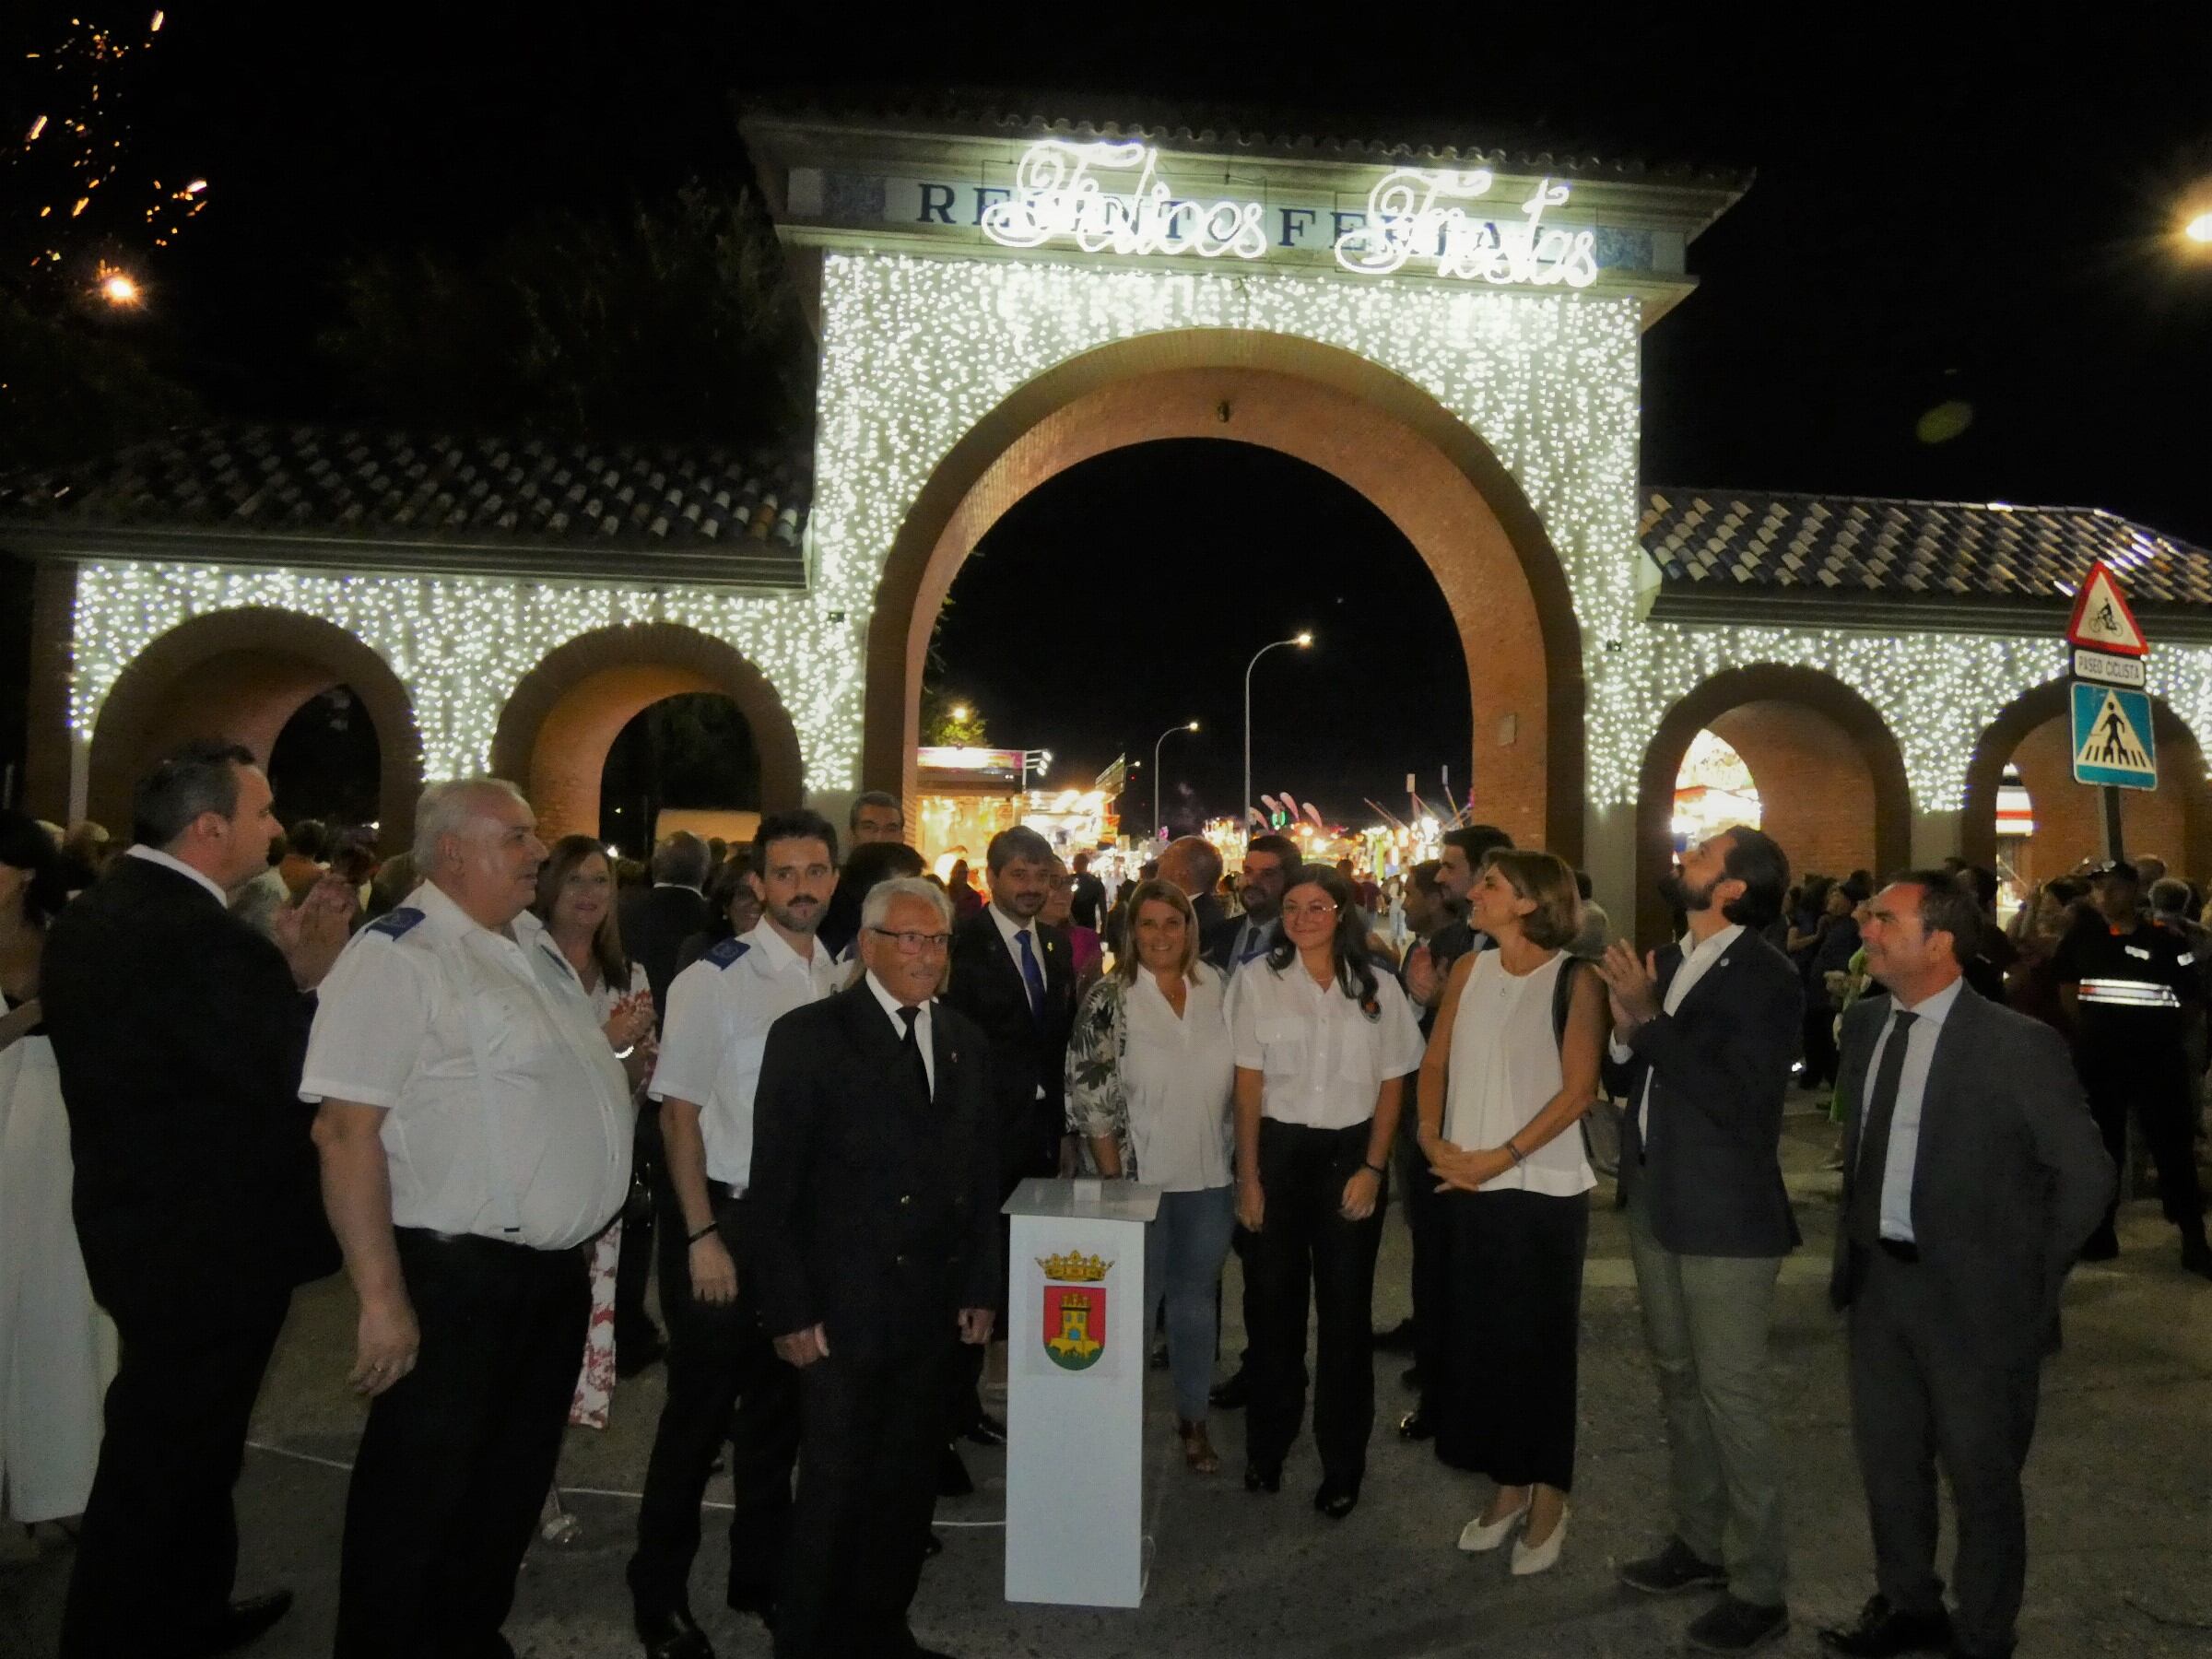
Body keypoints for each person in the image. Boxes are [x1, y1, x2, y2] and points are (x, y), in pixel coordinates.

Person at [305, 779, 636, 1659]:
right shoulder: (398, 954)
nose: (539, 853)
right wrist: (381, 1299)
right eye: (518, 838)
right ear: (451, 851)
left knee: (506, 1487)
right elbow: (344, 1131)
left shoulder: (527, 942)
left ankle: (464, 1638)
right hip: (457, 1274)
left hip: (547, 1274)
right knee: (420, 1496)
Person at [41, 742, 352, 1659]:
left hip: (138, 1226)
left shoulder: (100, 914)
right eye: (262, 812)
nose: (276, 827)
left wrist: (281, 973)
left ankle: (187, 1612)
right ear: (209, 828)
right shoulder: (202, 939)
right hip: (208, 1246)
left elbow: (194, 1059)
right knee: (166, 1458)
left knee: (187, 1448)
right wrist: (313, 980)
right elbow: (281, 1079)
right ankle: (116, 1633)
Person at [1820, 875, 2114, 1659]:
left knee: (1983, 1480)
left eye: (1885, 919)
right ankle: (1909, 1604)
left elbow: (2087, 1177)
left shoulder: (2017, 1044)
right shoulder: (1866, 1026)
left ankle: (1983, 1633)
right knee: (1890, 1467)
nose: (1866, 927)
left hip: (1979, 1306)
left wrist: (2027, 1279)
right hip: (1881, 1288)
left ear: (1940, 943)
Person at [744, 877, 999, 1659]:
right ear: (870, 946)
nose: (925, 955)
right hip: (841, 1311)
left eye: (938, 941)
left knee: (905, 1486)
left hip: (931, 1311)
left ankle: (883, 1630)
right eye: (909, 939)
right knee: (834, 1491)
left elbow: (981, 1177)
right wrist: (787, 1312)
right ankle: (810, 1640)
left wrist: (982, 1287)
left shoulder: (962, 1039)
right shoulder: (810, 1035)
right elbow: (774, 1187)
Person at [629, 812, 842, 1654]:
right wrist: (700, 1235)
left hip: (803, 1234)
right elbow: (677, 1114)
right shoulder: (712, 980)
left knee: (780, 1417)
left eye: (817, 871)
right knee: (698, 1416)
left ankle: (761, 1574)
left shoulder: (841, 974)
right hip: (725, 1219)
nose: (802, 888)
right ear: (757, 882)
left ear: (833, 878)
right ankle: (658, 1592)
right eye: (785, 873)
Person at [1597, 826, 1803, 1655]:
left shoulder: (1767, 977)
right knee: (1679, 1382)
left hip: (1726, 1215)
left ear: (1734, 890)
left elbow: (1742, 1104)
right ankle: (1699, 1544)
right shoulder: (1672, 958)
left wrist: (1647, 1025)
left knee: (1732, 1397)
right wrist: (1624, 1033)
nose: (1683, 856)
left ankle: (1761, 1587)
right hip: (1658, 1197)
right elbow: (1637, 1074)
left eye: (1703, 855)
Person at [1418, 851, 1606, 1577]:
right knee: (1483, 1342)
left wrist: (1501, 1156)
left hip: (1540, 1190)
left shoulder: (1574, 979)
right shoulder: (1469, 970)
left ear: (1530, 903)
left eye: (1491, 884)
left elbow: (1578, 1090)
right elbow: (1435, 1063)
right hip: (1465, 1180)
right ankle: (1507, 1484)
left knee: (1539, 1349)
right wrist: (1434, 1139)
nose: (1476, 892)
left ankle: (1550, 1493)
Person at [1229, 863, 1423, 1516]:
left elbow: (1393, 1081)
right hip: (1278, 1155)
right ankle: (1268, 1444)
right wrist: (1248, 1178)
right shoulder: (1258, 981)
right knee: (1272, 1308)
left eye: (1317, 906)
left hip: (1349, 1154)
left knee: (1345, 1319)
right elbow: (1248, 1086)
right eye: (1292, 906)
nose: (1303, 918)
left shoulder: (1377, 986)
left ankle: (1343, 1464)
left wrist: (1372, 1169)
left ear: (1342, 911)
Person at [1065, 878, 1237, 1474]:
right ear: (1130, 932)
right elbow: (1088, 1096)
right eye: (1148, 924)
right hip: (1138, 1182)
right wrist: (1116, 1183)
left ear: (1190, 928)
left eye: (1173, 922)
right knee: (1134, 1309)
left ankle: (1193, 1420)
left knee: (1194, 1308)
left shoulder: (1219, 987)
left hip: (1210, 1178)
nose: (1161, 935)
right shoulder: (1110, 997)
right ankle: (1117, 1426)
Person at [532, 836, 657, 1545]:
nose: (589, 893)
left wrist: (636, 1061)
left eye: (602, 881)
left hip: (601, 1184)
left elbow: (635, 1088)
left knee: (571, 1344)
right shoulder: (523, 963)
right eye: (574, 878)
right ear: (548, 886)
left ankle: (538, 1480)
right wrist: (607, 1045)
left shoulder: (628, 971)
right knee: (529, 1343)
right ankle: (520, 1491)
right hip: (535, 1181)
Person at [942, 825, 1076, 1477]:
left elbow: (1057, 1043)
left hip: (1038, 1138)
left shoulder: (1054, 943)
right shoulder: (960, 945)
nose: (1030, 887)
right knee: (970, 1272)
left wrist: (1067, 1129)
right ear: (993, 878)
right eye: (1018, 874)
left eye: (1041, 875)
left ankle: (970, 1408)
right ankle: (942, 1417)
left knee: (1017, 1272)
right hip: (977, 1140)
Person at [0, 813, 112, 1531]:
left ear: (23, 872)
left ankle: (62, 1485)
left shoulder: (71, 930)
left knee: (57, 1310)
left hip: (55, 1139)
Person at [2053, 861, 2212, 1276]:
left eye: (2112, 888)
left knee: (2172, 1147)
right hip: (2101, 1060)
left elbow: (2191, 1001)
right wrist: (2095, 1036)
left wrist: (2156, 1035)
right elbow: (2068, 993)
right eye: (2097, 889)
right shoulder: (2082, 937)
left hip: (2155, 1060)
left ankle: (2193, 1238)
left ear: (2133, 891)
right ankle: (2101, 1232)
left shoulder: (2166, 941)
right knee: (2102, 1148)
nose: (2104, 896)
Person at [614, 831, 715, 1372]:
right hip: (685, 1086)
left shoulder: (623, 910)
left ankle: (624, 1322)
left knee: (633, 1209)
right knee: (668, 1209)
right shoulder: (708, 924)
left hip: (632, 1081)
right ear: (704, 872)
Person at [818, 791, 905, 959]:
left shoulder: (914, 894)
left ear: (902, 837)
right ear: (851, 836)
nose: (879, 838)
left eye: (890, 829)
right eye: (869, 828)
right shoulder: (828, 891)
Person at [1200, 832, 1300, 973]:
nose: (1252, 881)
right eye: (1248, 871)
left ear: (1290, 880)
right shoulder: (1217, 934)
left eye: (1267, 874)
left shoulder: (1298, 942)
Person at [1043, 855, 1105, 986]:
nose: (1066, 892)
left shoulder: (1086, 940)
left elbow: (1094, 998)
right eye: (1054, 882)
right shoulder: (1018, 941)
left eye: (1067, 882)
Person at [1159, 833, 1228, 931]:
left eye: (1166, 856)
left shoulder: (1196, 924)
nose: (1158, 860)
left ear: (1181, 871)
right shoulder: (1202, 912)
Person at [1069, 849, 1108, 931]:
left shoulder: (1068, 881)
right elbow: (1103, 909)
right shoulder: (1096, 882)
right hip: (1089, 925)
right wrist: (1104, 930)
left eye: (1075, 862)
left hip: (1071, 925)